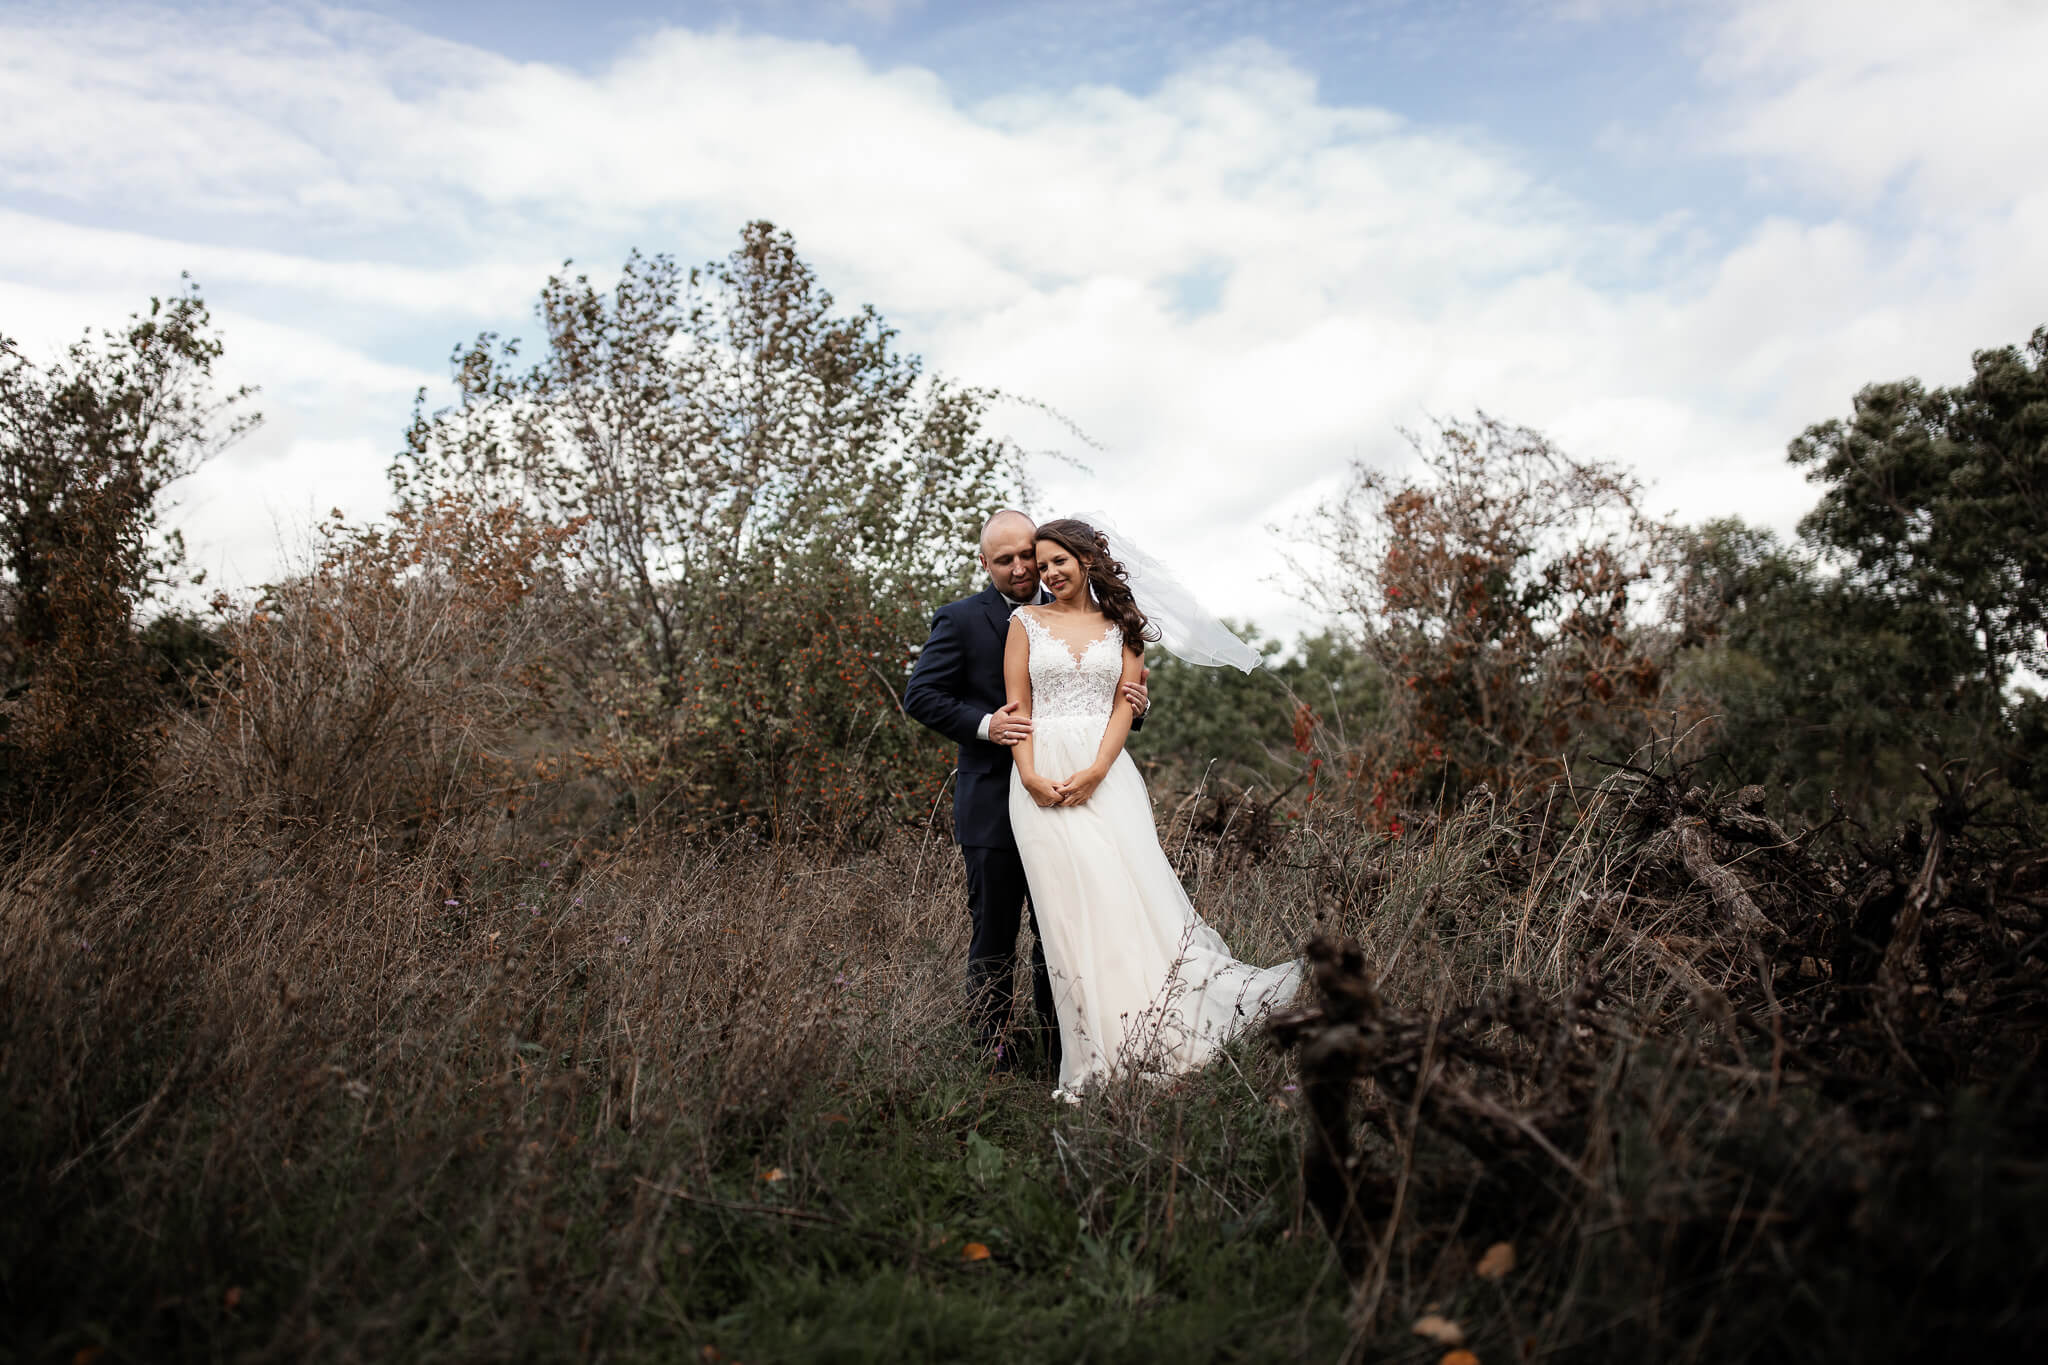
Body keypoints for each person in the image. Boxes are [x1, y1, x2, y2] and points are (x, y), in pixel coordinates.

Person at [1005, 517, 1302, 1100]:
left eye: (1058, 561)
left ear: (1086, 559)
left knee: (1121, 900)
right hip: (1037, 779)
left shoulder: (1124, 625)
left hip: (1106, 774)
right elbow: (1017, 707)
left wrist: (1095, 770)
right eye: (1041, 567)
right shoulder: (1024, 623)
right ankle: (1093, 1048)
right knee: (1066, 915)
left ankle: (1144, 1036)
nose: (1049, 573)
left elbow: (1125, 707)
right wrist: (1031, 776)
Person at [902, 510, 1152, 1073]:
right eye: (1006, 560)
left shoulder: (1079, 611)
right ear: (984, 563)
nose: (1021, 569)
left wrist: (1136, 703)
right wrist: (991, 725)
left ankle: (1061, 1052)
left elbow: (1102, 690)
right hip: (994, 798)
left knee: (1060, 929)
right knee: (993, 931)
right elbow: (920, 695)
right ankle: (991, 1057)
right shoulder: (962, 619)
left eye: (1027, 557)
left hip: (1071, 793)